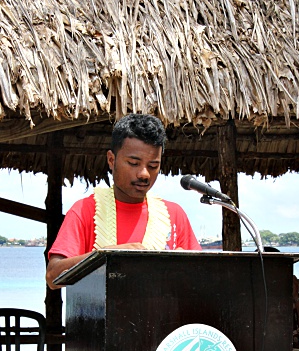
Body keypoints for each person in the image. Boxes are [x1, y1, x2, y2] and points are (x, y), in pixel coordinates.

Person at [46, 114, 201, 289]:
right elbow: (53, 276)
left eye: (153, 166)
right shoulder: (85, 210)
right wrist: (107, 256)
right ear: (112, 160)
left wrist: (186, 264)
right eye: (134, 163)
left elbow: (200, 278)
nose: (144, 174)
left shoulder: (174, 214)